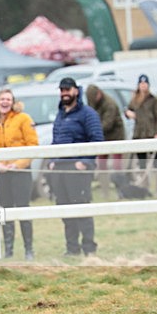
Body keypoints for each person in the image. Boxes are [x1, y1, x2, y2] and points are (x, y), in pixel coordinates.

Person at [0, 89, 39, 260]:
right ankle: (9, 250)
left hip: (20, 171)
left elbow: (33, 145)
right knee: (4, 209)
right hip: (0, 173)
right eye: (2, 99)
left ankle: (28, 249)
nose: (5, 102)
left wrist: (17, 164)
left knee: (23, 207)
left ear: (13, 102)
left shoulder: (23, 119)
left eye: (8, 99)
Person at [48, 78, 104, 256]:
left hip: (78, 168)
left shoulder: (88, 114)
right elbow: (56, 140)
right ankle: (72, 248)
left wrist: (85, 162)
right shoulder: (60, 114)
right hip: (60, 168)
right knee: (64, 209)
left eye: (68, 89)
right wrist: (52, 160)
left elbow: (96, 139)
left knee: (82, 207)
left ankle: (89, 247)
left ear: (76, 91)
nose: (64, 93)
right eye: (62, 90)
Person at [125, 74, 157, 194]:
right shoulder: (135, 99)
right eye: (141, 84)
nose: (143, 86)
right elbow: (127, 110)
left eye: (145, 83)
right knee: (141, 162)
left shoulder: (153, 100)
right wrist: (128, 113)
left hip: (151, 133)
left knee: (156, 161)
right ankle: (144, 186)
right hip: (139, 133)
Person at [85, 84, 124, 200]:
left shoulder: (110, 104)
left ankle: (121, 190)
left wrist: (93, 131)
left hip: (115, 137)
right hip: (102, 138)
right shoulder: (92, 102)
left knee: (117, 165)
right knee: (101, 164)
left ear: (99, 94)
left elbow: (107, 124)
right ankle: (105, 191)